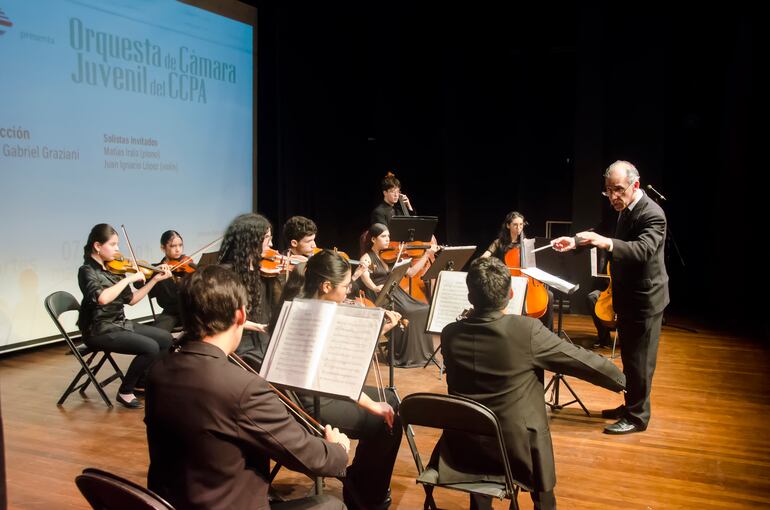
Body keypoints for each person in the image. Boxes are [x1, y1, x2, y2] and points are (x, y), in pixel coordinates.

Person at [145, 265, 349, 510]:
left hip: (172, 504)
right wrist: (338, 449)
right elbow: (309, 458)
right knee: (331, 505)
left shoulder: (158, 371)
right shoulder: (243, 388)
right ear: (241, 315)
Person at [436, 257, 626, 509]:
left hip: (464, 446)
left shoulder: (450, 333)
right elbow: (579, 360)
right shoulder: (526, 330)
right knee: (532, 428)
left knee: (481, 423)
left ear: (470, 297)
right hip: (517, 449)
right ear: (511, 294)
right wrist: (622, 380)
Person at [276, 250, 403, 510]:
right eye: (345, 286)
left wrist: (378, 332)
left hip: (321, 389)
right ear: (326, 286)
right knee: (388, 421)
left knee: (391, 399)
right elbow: (340, 375)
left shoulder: (301, 305)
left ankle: (363, 481)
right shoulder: (317, 318)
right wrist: (372, 405)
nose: (349, 291)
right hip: (315, 402)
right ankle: (367, 496)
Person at [552, 160, 669, 434]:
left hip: (646, 299)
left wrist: (605, 243)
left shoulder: (653, 214)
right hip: (626, 296)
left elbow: (642, 250)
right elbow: (600, 232)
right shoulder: (621, 209)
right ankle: (630, 406)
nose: (613, 196)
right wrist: (575, 242)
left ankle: (637, 417)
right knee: (630, 358)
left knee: (640, 362)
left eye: (618, 190)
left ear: (635, 185)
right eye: (608, 191)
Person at [77, 224, 174, 408]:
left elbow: (132, 300)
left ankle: (142, 383)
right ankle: (125, 391)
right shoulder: (86, 271)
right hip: (98, 330)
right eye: (113, 244)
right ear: (97, 246)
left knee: (166, 338)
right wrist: (130, 278)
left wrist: (154, 280)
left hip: (119, 323)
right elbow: (102, 298)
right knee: (151, 347)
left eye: (118, 244)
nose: (117, 249)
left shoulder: (115, 269)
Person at [358, 223, 438, 367]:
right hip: (380, 295)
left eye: (389, 236)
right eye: (383, 236)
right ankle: (404, 356)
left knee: (424, 308)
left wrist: (426, 255)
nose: (388, 239)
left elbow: (412, 273)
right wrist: (375, 287)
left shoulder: (389, 256)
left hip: (395, 292)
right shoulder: (367, 258)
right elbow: (365, 277)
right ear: (373, 239)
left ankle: (421, 355)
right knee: (410, 311)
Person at [217, 213, 281, 371]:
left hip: (263, 339)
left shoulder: (264, 270)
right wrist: (259, 327)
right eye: (267, 238)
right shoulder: (226, 275)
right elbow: (226, 317)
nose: (271, 244)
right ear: (251, 240)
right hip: (239, 344)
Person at [481, 211, 554, 331]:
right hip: (508, 281)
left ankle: (548, 331)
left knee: (549, 296)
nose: (519, 228)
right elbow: (484, 257)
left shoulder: (527, 243)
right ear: (508, 225)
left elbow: (533, 264)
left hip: (527, 280)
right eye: (515, 225)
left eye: (521, 224)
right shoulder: (499, 243)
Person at [136, 230, 195, 332]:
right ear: (163, 248)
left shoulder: (187, 264)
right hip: (171, 312)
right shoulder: (156, 268)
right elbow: (138, 285)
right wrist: (154, 272)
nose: (178, 249)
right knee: (157, 333)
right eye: (173, 246)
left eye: (180, 245)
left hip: (191, 309)